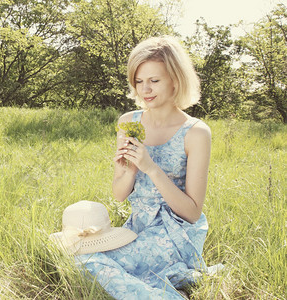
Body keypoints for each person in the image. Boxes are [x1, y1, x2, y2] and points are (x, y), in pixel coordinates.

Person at [75, 36, 214, 299]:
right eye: (139, 81)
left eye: (154, 80)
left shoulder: (196, 133)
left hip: (175, 234)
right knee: (75, 256)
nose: (145, 90)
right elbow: (119, 194)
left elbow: (193, 213)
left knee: (89, 264)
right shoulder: (128, 122)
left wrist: (151, 168)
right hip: (137, 225)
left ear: (175, 79)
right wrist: (129, 170)